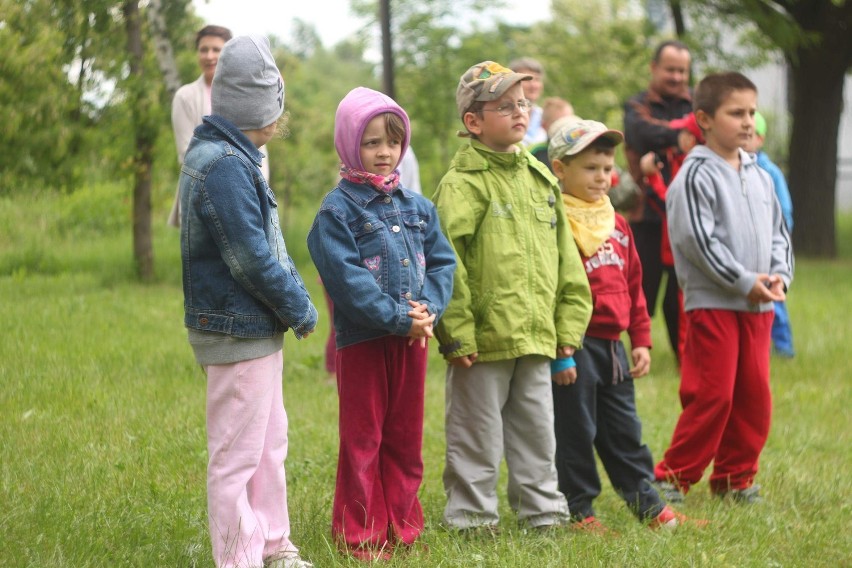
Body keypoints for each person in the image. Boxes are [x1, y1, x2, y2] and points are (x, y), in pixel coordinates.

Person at [432, 61, 592, 532]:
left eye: (523, 103)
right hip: (482, 341)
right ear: (474, 122)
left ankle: (542, 513)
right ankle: (471, 517)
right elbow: (446, 264)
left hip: (537, 334)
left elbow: (567, 261)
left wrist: (567, 327)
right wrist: (456, 332)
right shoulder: (462, 186)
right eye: (504, 106)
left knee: (538, 433)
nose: (520, 112)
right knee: (475, 435)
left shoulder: (541, 179)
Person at [178, 35, 317, 568]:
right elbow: (251, 259)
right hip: (237, 330)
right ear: (257, 110)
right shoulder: (225, 166)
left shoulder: (236, 154)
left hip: (255, 326)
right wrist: (300, 308)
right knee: (237, 454)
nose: (271, 131)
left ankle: (273, 545)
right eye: (268, 120)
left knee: (267, 445)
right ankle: (238, 558)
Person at [307, 87, 456, 561]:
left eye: (392, 141)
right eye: (371, 143)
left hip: (414, 338)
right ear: (351, 145)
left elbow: (442, 262)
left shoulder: (418, 207)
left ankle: (403, 526)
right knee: (364, 438)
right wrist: (398, 319)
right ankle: (360, 534)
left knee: (406, 437)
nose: (384, 152)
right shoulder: (336, 211)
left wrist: (428, 310)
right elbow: (348, 282)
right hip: (366, 340)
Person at [548, 116, 704, 531]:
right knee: (576, 431)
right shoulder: (553, 223)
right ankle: (579, 510)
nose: (602, 178)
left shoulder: (615, 223)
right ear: (560, 169)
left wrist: (641, 338)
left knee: (625, 429)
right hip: (573, 345)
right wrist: (560, 348)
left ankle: (651, 508)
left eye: (606, 168)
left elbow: (636, 285)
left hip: (613, 347)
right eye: (590, 168)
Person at [654, 72, 794, 504]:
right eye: (736, 113)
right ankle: (672, 476)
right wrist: (741, 281)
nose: (748, 121)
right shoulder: (695, 175)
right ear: (704, 119)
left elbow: (778, 233)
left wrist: (778, 275)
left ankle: (736, 478)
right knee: (713, 395)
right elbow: (697, 242)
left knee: (754, 396)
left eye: (752, 112)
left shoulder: (760, 175)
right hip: (713, 303)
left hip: (758, 306)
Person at [623, 40, 693, 361]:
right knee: (642, 288)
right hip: (646, 215)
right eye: (670, 69)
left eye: (682, 71)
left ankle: (684, 356)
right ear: (654, 68)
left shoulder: (697, 105)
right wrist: (682, 135)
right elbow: (642, 133)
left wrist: (677, 134)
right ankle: (635, 351)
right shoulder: (636, 105)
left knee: (682, 291)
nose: (677, 77)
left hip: (689, 216)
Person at [168, 25, 269, 227]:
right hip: (202, 197)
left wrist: (260, 191)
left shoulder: (244, 93)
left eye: (216, 49)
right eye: (203, 49)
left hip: (246, 195)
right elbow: (186, 153)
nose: (209, 56)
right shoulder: (185, 97)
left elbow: (257, 148)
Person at [639, 112, 705, 360]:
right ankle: (685, 357)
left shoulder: (691, 166)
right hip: (674, 249)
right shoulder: (676, 159)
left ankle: (689, 359)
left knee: (682, 306)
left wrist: (653, 178)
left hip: (685, 250)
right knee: (674, 304)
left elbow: (672, 204)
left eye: (682, 133)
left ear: (690, 139)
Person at [745, 111, 796, 358]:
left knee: (775, 298)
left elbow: (784, 210)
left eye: (751, 135)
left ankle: (784, 348)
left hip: (768, 248)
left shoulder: (770, 172)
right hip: (747, 252)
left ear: (760, 139)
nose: (745, 139)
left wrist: (777, 238)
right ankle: (758, 346)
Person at [509, 57, 548, 147]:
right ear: (512, 83)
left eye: (537, 79)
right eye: (527, 80)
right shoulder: (504, 116)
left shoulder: (545, 116)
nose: (533, 85)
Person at [529, 96, 575, 169]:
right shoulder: (535, 153)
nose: (565, 128)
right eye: (558, 123)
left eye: (569, 121)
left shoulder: (579, 149)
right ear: (544, 126)